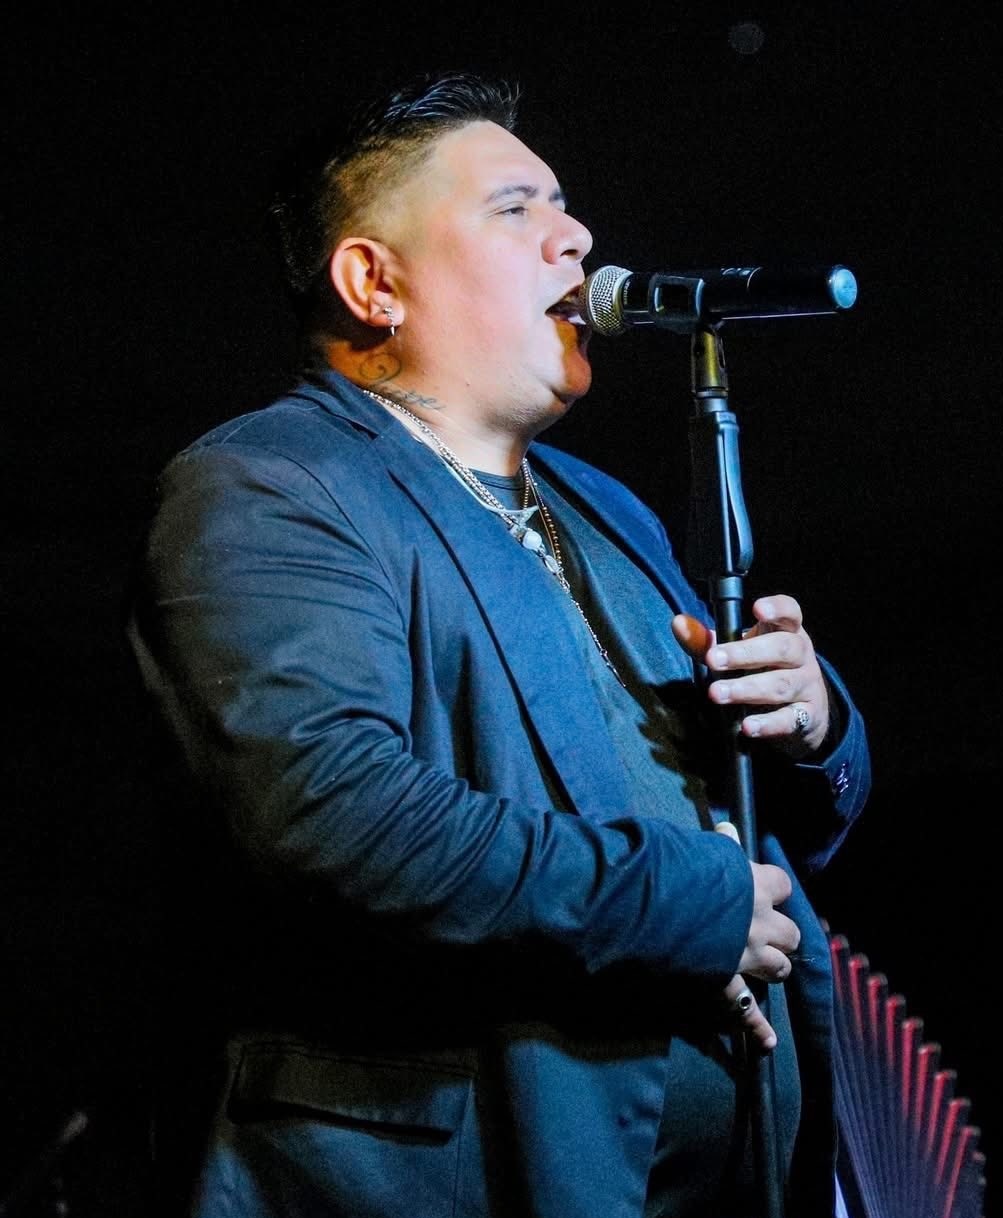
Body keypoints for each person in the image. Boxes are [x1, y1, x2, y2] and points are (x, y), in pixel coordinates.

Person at [126, 71, 870, 1217]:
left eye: (563, 206)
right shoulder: (269, 485)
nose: (577, 238)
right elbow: (332, 813)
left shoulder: (607, 511)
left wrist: (808, 725)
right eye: (516, 208)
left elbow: (756, 818)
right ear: (374, 283)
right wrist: (681, 904)